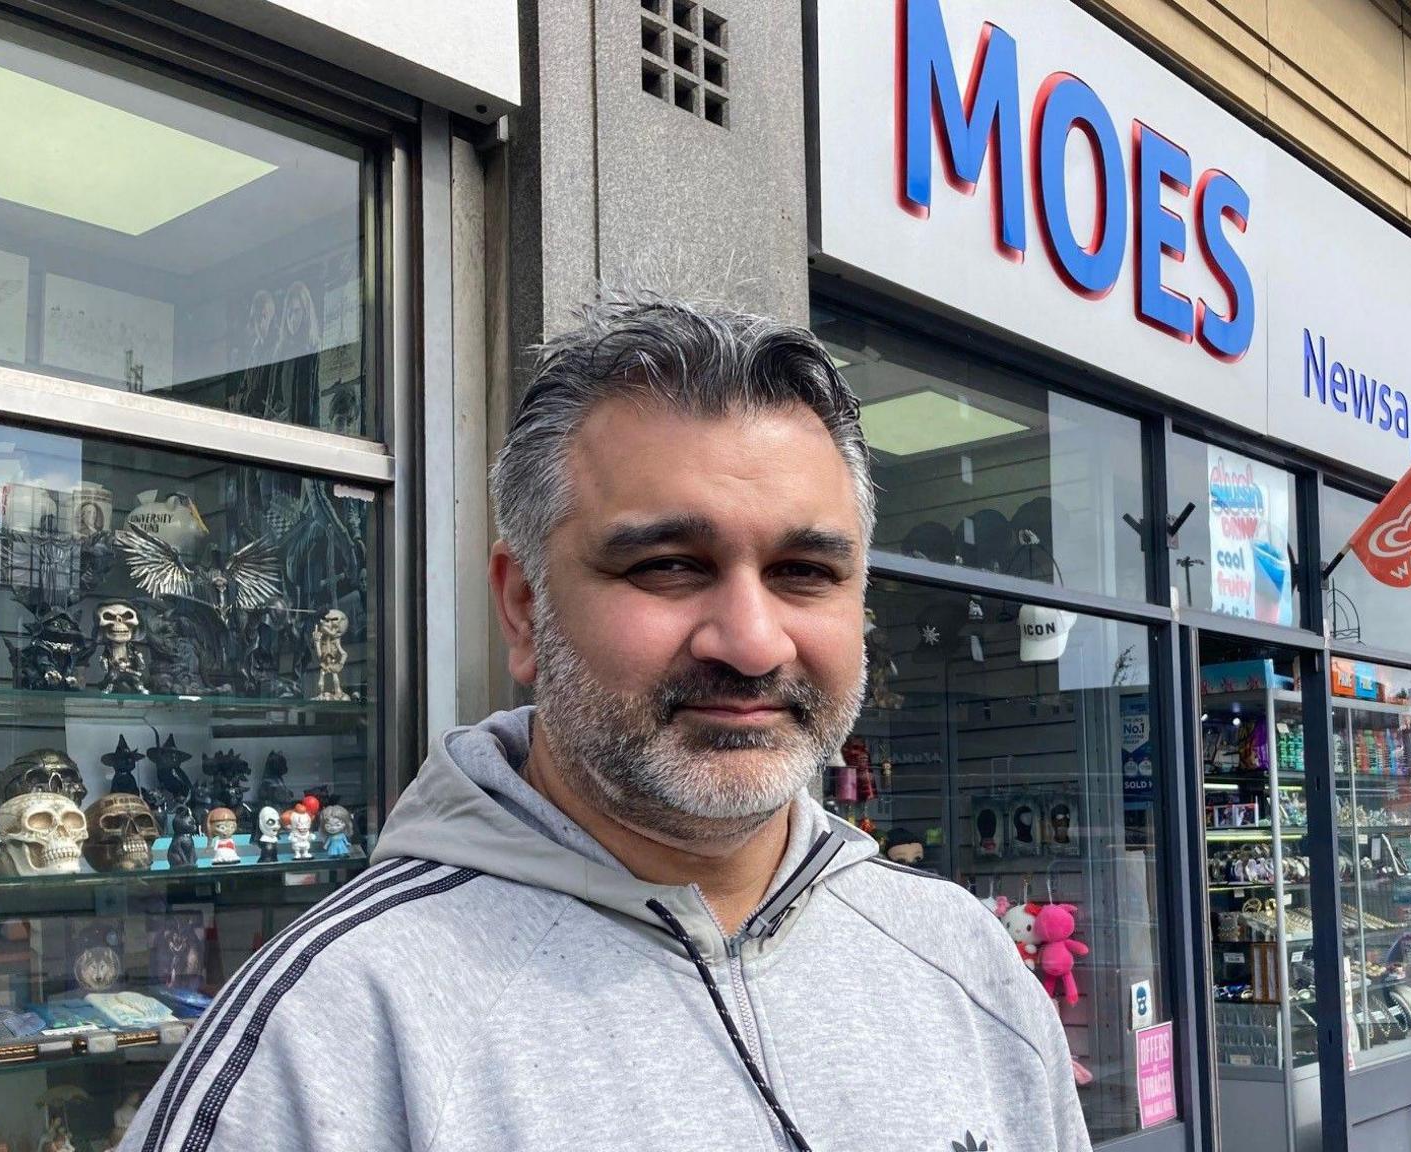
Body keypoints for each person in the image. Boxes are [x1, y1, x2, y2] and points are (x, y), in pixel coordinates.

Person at [120, 297, 1090, 1151]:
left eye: (804, 573)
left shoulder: (964, 965)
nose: (752, 644)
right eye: (666, 564)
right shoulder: (330, 1037)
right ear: (521, 608)